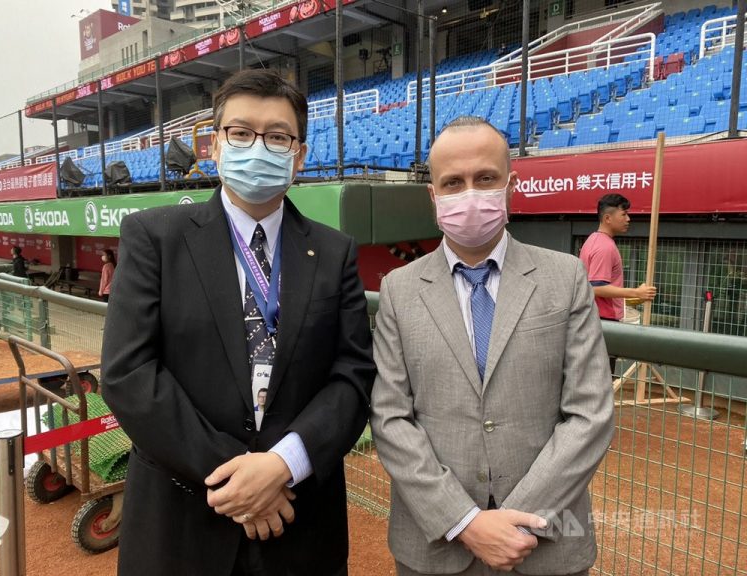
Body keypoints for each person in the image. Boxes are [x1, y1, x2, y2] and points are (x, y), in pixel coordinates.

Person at [101, 69, 375, 576]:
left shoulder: (333, 252)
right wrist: (238, 479)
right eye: (241, 132)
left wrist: (283, 464)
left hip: (300, 529)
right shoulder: (153, 238)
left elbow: (353, 375)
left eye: (277, 137)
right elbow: (128, 373)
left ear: (299, 154)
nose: (258, 147)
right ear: (215, 145)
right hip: (181, 527)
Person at [370, 116, 615, 576]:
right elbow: (390, 417)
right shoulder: (399, 290)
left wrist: (516, 521)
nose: (469, 193)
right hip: (435, 547)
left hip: (544, 545)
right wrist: (464, 521)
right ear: (433, 195)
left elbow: (590, 413)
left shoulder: (564, 278)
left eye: (485, 178)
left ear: (510, 185)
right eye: (453, 182)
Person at [579, 193, 657, 373]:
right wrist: (636, 293)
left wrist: (631, 298)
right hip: (602, 322)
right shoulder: (605, 247)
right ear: (608, 218)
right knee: (602, 377)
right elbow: (596, 287)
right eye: (624, 214)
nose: (628, 219)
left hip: (592, 319)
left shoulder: (592, 240)